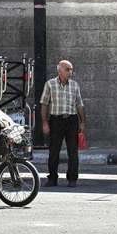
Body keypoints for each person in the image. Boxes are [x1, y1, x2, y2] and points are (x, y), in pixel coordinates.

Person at [40, 60, 86, 188]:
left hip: (71, 120)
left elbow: (79, 104)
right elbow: (44, 104)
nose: (70, 72)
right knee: (54, 151)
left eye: (71, 69)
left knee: (73, 151)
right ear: (60, 71)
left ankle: (72, 179)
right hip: (56, 120)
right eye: (68, 69)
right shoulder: (50, 84)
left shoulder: (74, 85)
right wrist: (45, 123)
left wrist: (82, 122)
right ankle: (52, 178)